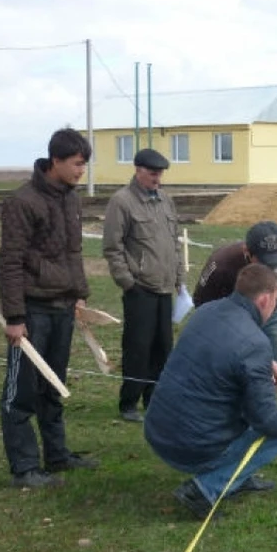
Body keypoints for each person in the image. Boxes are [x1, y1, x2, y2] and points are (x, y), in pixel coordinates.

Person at [144, 264, 277, 520]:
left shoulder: (208, 310)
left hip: (158, 430)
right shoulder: (255, 344)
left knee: (246, 398)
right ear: (265, 299)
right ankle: (203, 489)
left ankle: (237, 478)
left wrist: (265, 364)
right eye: (276, 300)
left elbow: (224, 357)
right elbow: (266, 419)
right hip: (188, 446)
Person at [0, 128, 100, 488]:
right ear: (55, 161)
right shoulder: (21, 202)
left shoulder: (71, 199)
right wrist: (15, 317)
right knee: (21, 391)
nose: (80, 171)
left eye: (84, 165)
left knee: (52, 385)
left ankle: (56, 456)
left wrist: (79, 293)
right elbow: (9, 262)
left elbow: (73, 252)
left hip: (63, 306)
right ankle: (24, 468)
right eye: (76, 164)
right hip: (32, 309)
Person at [193, 221, 277, 471]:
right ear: (248, 252)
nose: (271, 269)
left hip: (274, 315)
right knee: (240, 383)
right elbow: (201, 302)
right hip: (234, 320)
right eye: (264, 262)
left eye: (275, 264)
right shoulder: (222, 263)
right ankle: (235, 447)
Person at [102, 148, 184, 423]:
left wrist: (179, 280)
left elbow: (174, 244)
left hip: (164, 289)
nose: (157, 179)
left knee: (163, 347)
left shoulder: (165, 201)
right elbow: (113, 247)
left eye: (160, 174)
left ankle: (155, 401)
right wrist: (127, 283)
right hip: (140, 289)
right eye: (152, 173)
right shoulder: (121, 202)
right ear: (138, 170)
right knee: (138, 347)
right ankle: (129, 402)